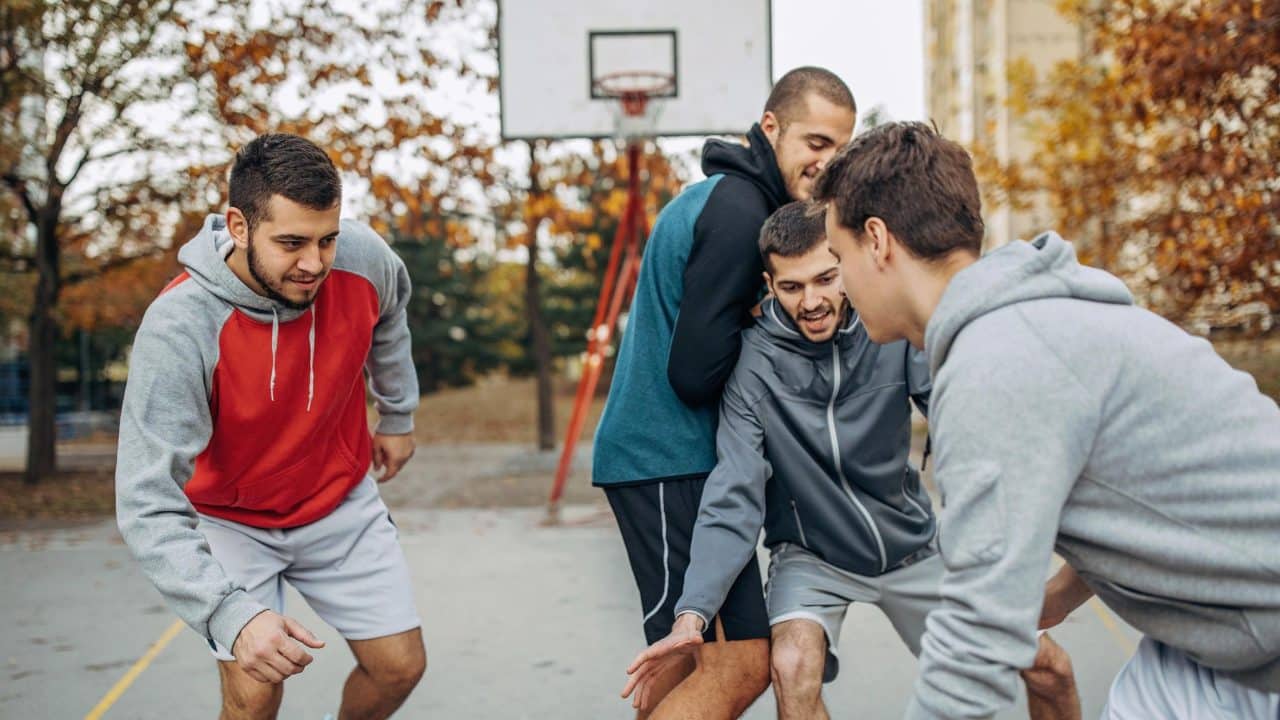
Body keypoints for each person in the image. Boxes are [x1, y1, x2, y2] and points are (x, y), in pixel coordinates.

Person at [813, 120, 1280, 719]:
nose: (843, 284)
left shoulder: (997, 364)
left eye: (839, 256)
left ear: (877, 241)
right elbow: (1136, 482)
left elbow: (973, 653)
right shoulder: (1041, 321)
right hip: (1220, 638)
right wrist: (1056, 596)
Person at [115, 133, 426, 720]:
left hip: (337, 500)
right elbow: (145, 500)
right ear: (238, 225)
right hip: (229, 519)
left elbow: (391, 311)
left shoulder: (362, 257)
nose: (314, 262)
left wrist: (397, 411)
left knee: (399, 667)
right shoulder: (180, 326)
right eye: (291, 242)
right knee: (255, 693)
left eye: (326, 238)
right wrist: (230, 614)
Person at [593, 67, 857, 718]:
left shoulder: (736, 201)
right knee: (738, 663)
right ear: (771, 128)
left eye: (840, 149)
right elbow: (694, 372)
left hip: (678, 462)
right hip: (666, 460)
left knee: (689, 666)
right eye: (815, 142)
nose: (827, 162)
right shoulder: (740, 212)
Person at [622, 200, 936, 718]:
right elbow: (735, 492)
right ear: (770, 286)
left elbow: (955, 411)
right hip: (812, 556)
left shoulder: (891, 329)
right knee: (790, 665)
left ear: (846, 267)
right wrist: (692, 614)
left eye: (825, 279)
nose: (810, 300)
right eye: (791, 287)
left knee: (1043, 664)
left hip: (913, 547)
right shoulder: (752, 365)